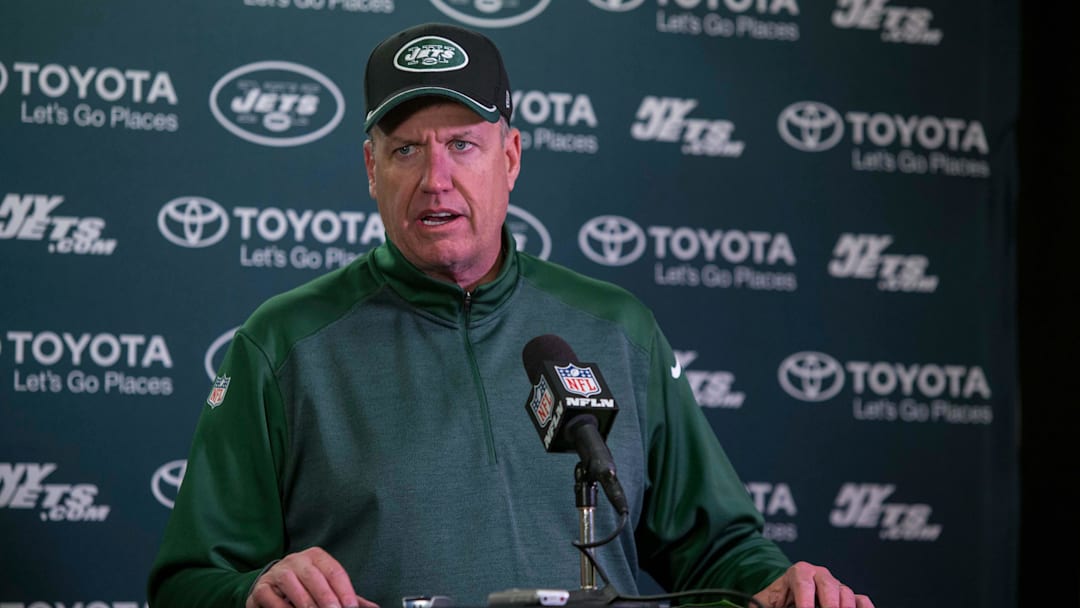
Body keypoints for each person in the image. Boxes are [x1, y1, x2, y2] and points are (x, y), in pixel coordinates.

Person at [147, 22, 874, 608]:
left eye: (463, 144)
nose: (437, 178)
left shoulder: (616, 327)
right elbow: (186, 585)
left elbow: (719, 550)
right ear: (371, 169)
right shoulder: (283, 343)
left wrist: (778, 588)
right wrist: (252, 594)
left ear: (512, 156)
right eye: (406, 150)